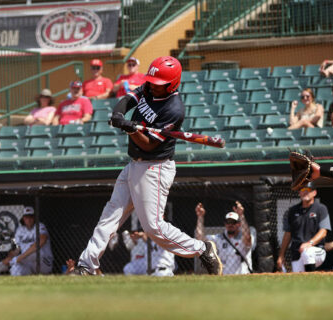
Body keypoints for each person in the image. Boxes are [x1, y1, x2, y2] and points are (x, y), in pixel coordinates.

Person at [70, 56, 223, 276]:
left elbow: (150, 145)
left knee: (154, 228)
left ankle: (202, 248)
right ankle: (87, 265)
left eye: (158, 83)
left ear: (172, 85)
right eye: (151, 81)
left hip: (155, 167)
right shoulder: (151, 87)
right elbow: (130, 98)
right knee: (110, 215)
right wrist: (119, 114)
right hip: (134, 164)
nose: (152, 85)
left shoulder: (174, 109)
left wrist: (131, 129)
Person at [277, 182, 331, 272]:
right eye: (302, 190)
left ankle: (311, 277)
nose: (305, 192)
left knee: (307, 252)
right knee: (298, 280)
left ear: (314, 193)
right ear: (299, 193)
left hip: (316, 250)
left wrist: (310, 243)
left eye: (308, 190)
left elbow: (323, 232)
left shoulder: (321, 208)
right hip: (297, 253)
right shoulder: (292, 211)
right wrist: (281, 255)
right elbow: (287, 234)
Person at [195, 201, 255, 275]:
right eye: (228, 222)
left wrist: (241, 215)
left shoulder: (243, 238)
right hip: (225, 277)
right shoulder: (219, 238)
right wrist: (200, 217)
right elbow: (200, 239)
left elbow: (247, 237)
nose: (230, 224)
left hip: (243, 275)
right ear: (225, 224)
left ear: (239, 224)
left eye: (233, 222)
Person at [0, 206, 53, 276]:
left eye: (31, 217)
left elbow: (42, 241)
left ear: (34, 218)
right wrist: (12, 256)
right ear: (23, 218)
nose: (28, 219)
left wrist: (17, 259)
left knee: (34, 251)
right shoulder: (20, 230)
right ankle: (11, 266)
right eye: (26, 217)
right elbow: (17, 249)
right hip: (27, 263)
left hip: (43, 262)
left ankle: (7, 263)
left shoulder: (40, 226)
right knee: (15, 269)